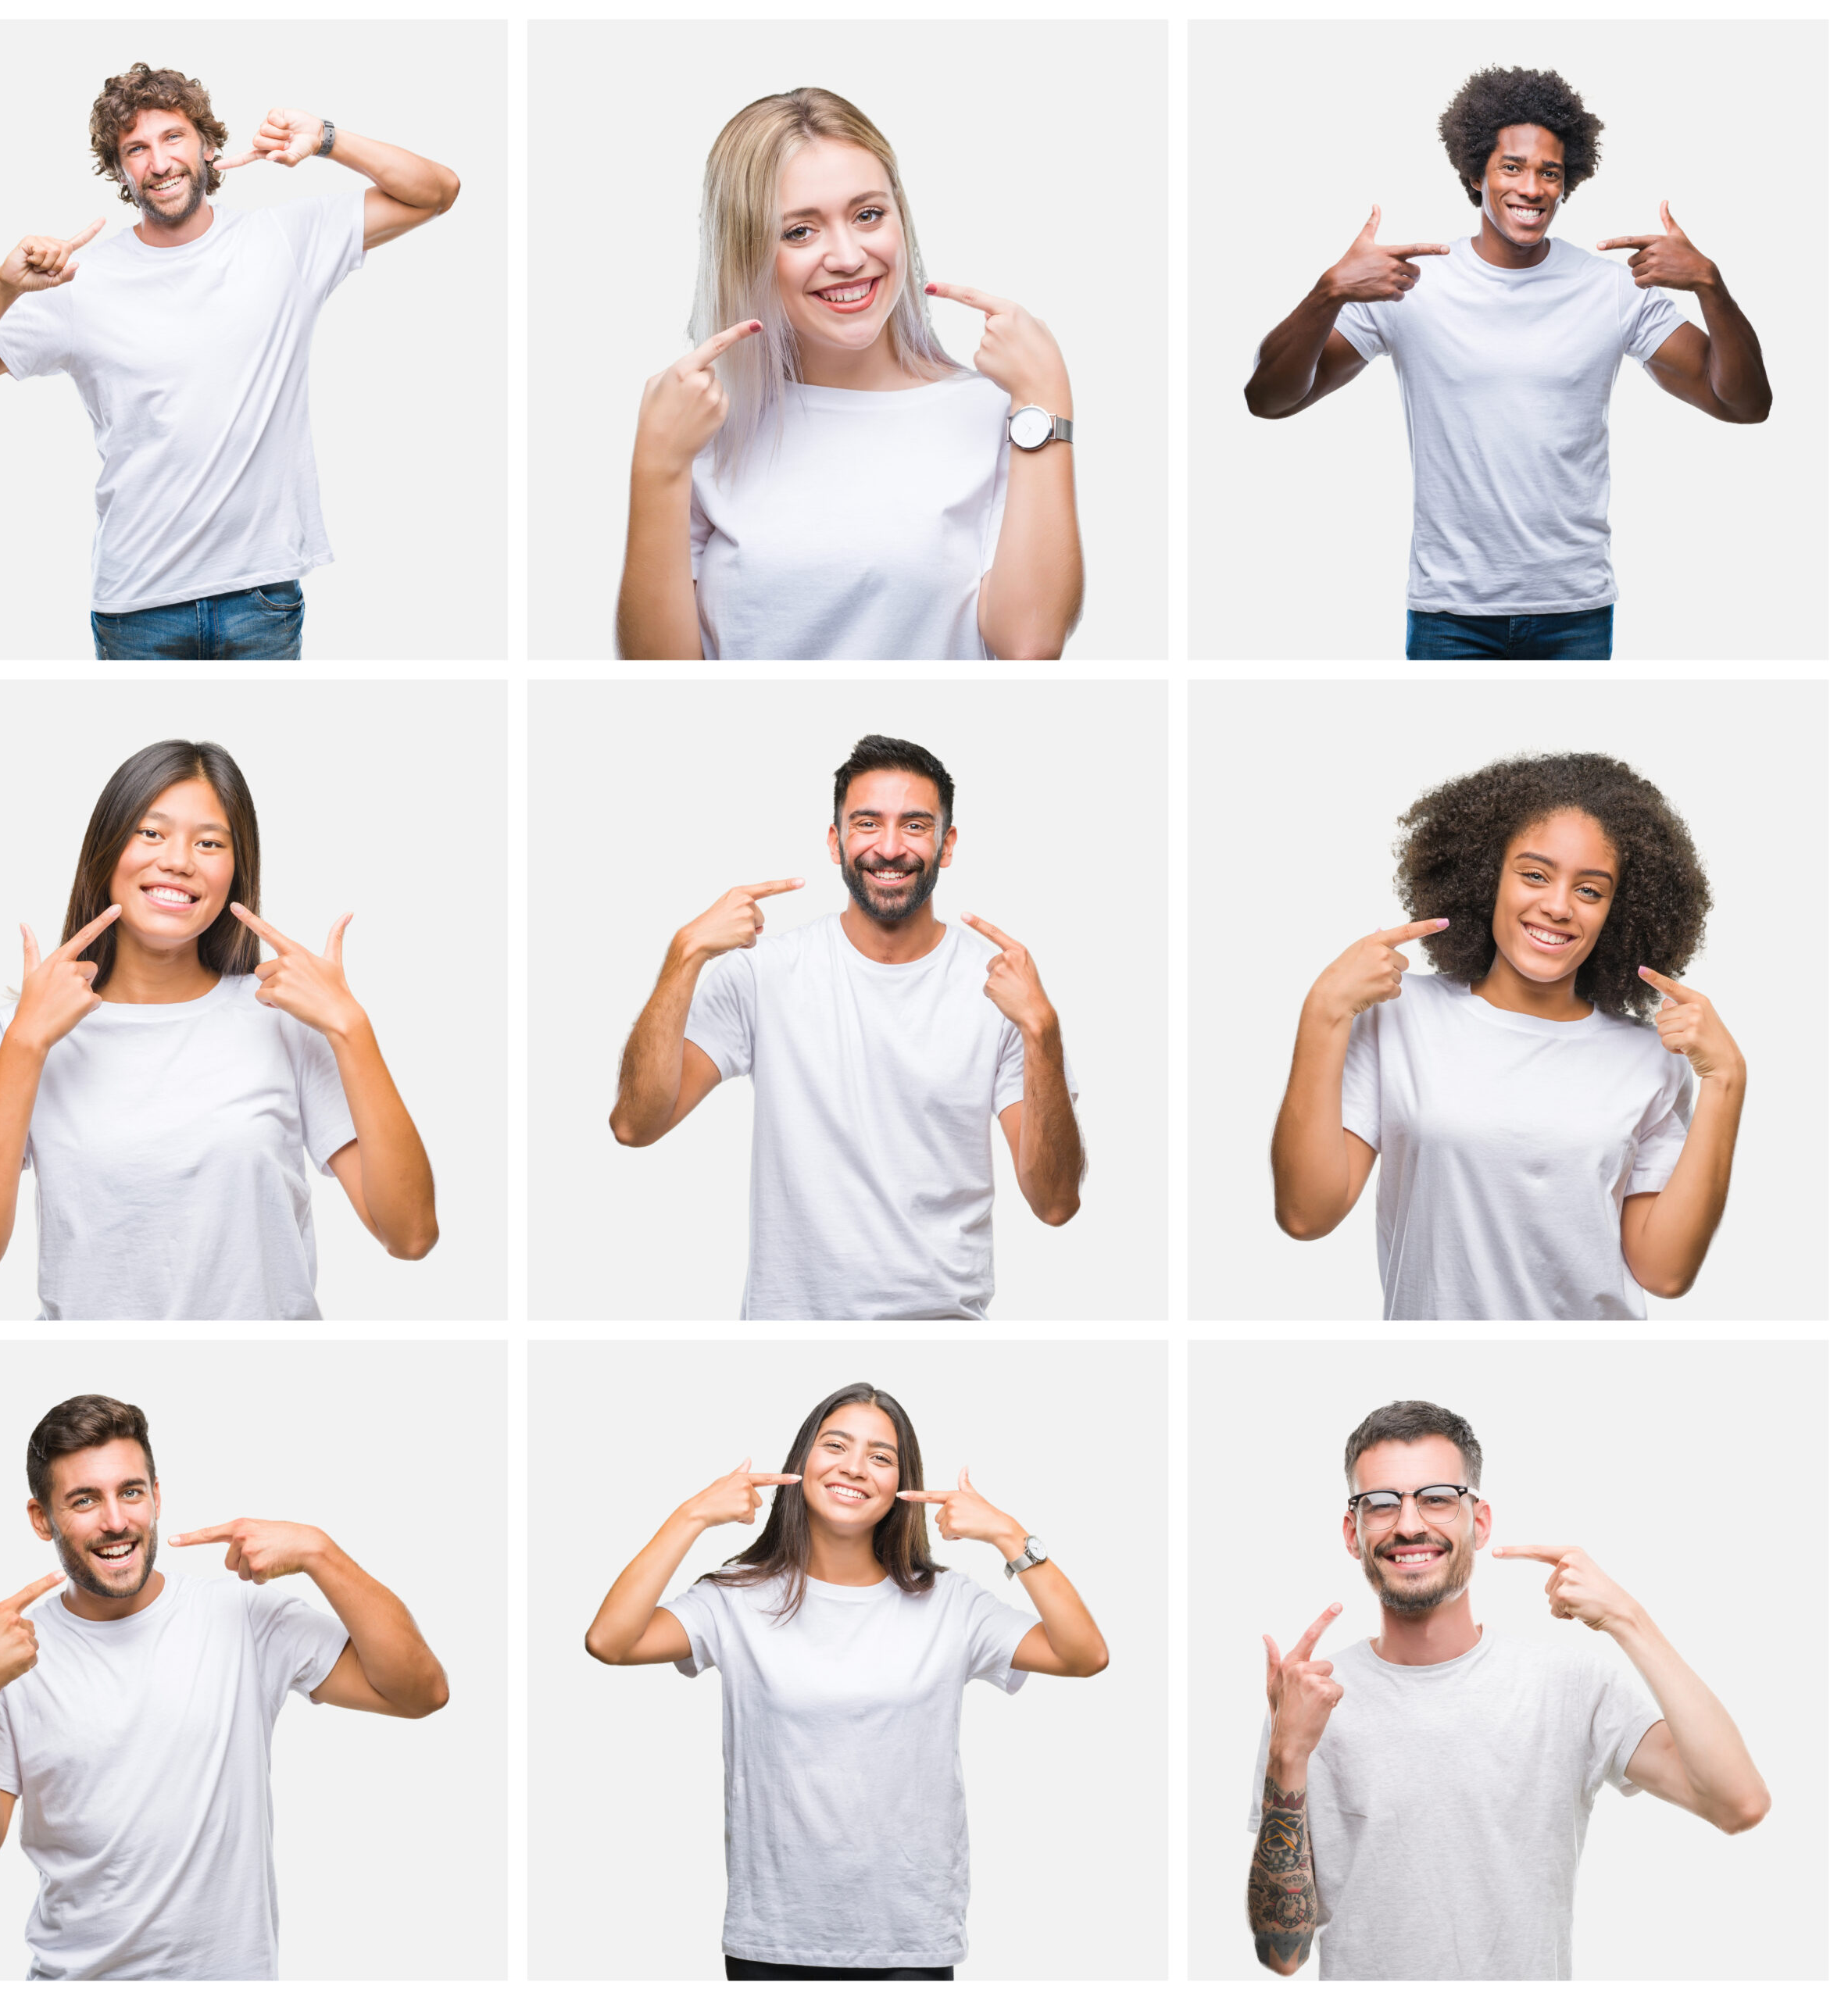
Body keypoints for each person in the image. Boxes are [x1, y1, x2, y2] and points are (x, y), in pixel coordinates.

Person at [0, 63, 460, 660]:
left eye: (173, 137)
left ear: (208, 145)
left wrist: (327, 138)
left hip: (261, 598)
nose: (159, 161)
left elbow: (438, 191)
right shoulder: (78, 281)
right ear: (121, 171)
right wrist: (2, 287)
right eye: (136, 149)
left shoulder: (284, 240)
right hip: (137, 609)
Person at [1243, 65, 1771, 661]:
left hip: (1574, 609)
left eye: (1550, 172)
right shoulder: (1410, 287)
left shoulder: (1613, 290)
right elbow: (1270, 398)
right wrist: (1328, 292)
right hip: (1451, 613)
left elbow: (1745, 404)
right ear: (1475, 173)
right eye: (1512, 167)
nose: (1532, 188)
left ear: (1567, 182)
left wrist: (1710, 285)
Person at [587, 1380, 1107, 1977]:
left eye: (881, 1457)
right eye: (836, 1445)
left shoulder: (951, 1604)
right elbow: (611, 1642)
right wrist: (693, 1515)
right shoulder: (734, 1599)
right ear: (802, 1462)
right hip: (775, 1937)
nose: (856, 1468)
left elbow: (1083, 1654)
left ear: (901, 1486)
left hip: (909, 1937)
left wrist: (1009, 1535)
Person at [0, 1395, 449, 1980]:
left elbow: (420, 1692)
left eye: (131, 1491)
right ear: (41, 1517)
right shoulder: (10, 1660)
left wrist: (319, 1552)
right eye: (84, 1500)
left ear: (156, 1495)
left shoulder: (243, 1617)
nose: (117, 1521)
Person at [1247, 1399, 1768, 1979]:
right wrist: (1287, 1753)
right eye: (1381, 1504)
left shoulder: (1569, 1685)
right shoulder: (1309, 1701)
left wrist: (1628, 1619)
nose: (1410, 1524)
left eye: (1438, 1498)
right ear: (1353, 1531)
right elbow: (1281, 1953)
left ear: (1481, 1520)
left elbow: (1738, 1803)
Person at [0, 738, 437, 1317]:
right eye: (151, 833)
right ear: (105, 850)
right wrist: (27, 1043)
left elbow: (410, 1236)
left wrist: (351, 1026)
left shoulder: (285, 1020)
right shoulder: (21, 1031)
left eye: (209, 842)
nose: (178, 860)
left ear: (235, 871)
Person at [608, 734, 1082, 1319]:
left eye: (914, 825)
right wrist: (685, 955)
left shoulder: (1000, 994)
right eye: (866, 823)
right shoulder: (765, 974)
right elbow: (636, 1124)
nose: (889, 848)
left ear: (946, 843)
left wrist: (1043, 1033)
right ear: (835, 841)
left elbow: (1054, 1203)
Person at [1271, 752, 1742, 1319]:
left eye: (1590, 891)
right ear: (1487, 876)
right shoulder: (1400, 1016)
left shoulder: (1649, 1059)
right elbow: (1306, 1215)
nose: (1559, 906)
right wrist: (1324, 1011)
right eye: (1535, 875)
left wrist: (1726, 1082)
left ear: (1618, 912)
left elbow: (1664, 1273)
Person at [617, 88, 1081, 662]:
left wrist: (1046, 398)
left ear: (901, 221)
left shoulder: (997, 414)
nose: (846, 255)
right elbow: (658, 679)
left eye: (868, 215)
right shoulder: (697, 427)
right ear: (747, 251)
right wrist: (657, 465)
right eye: (799, 231)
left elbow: (1029, 646)